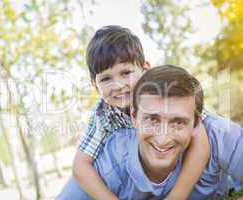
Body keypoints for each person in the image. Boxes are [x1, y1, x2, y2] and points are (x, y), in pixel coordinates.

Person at [57, 65, 243, 200]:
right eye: (152, 119)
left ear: (196, 124)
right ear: (133, 116)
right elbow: (81, 167)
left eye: (178, 122)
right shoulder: (110, 160)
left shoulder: (216, 134)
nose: (162, 139)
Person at [72, 25, 210, 200]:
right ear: (94, 84)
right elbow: (80, 164)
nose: (118, 85)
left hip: (179, 174)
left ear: (145, 69)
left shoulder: (166, 90)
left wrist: (177, 196)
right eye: (106, 79)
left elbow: (201, 144)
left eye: (126, 73)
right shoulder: (104, 114)